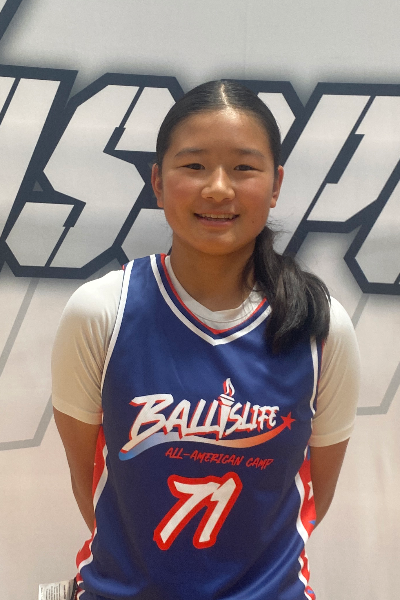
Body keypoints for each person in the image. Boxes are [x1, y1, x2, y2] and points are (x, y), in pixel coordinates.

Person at [52, 80, 360, 600]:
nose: (218, 189)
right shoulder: (101, 311)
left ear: (276, 184)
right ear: (157, 181)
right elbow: (93, 487)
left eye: (243, 167)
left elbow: (314, 496)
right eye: (194, 165)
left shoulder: (320, 326)